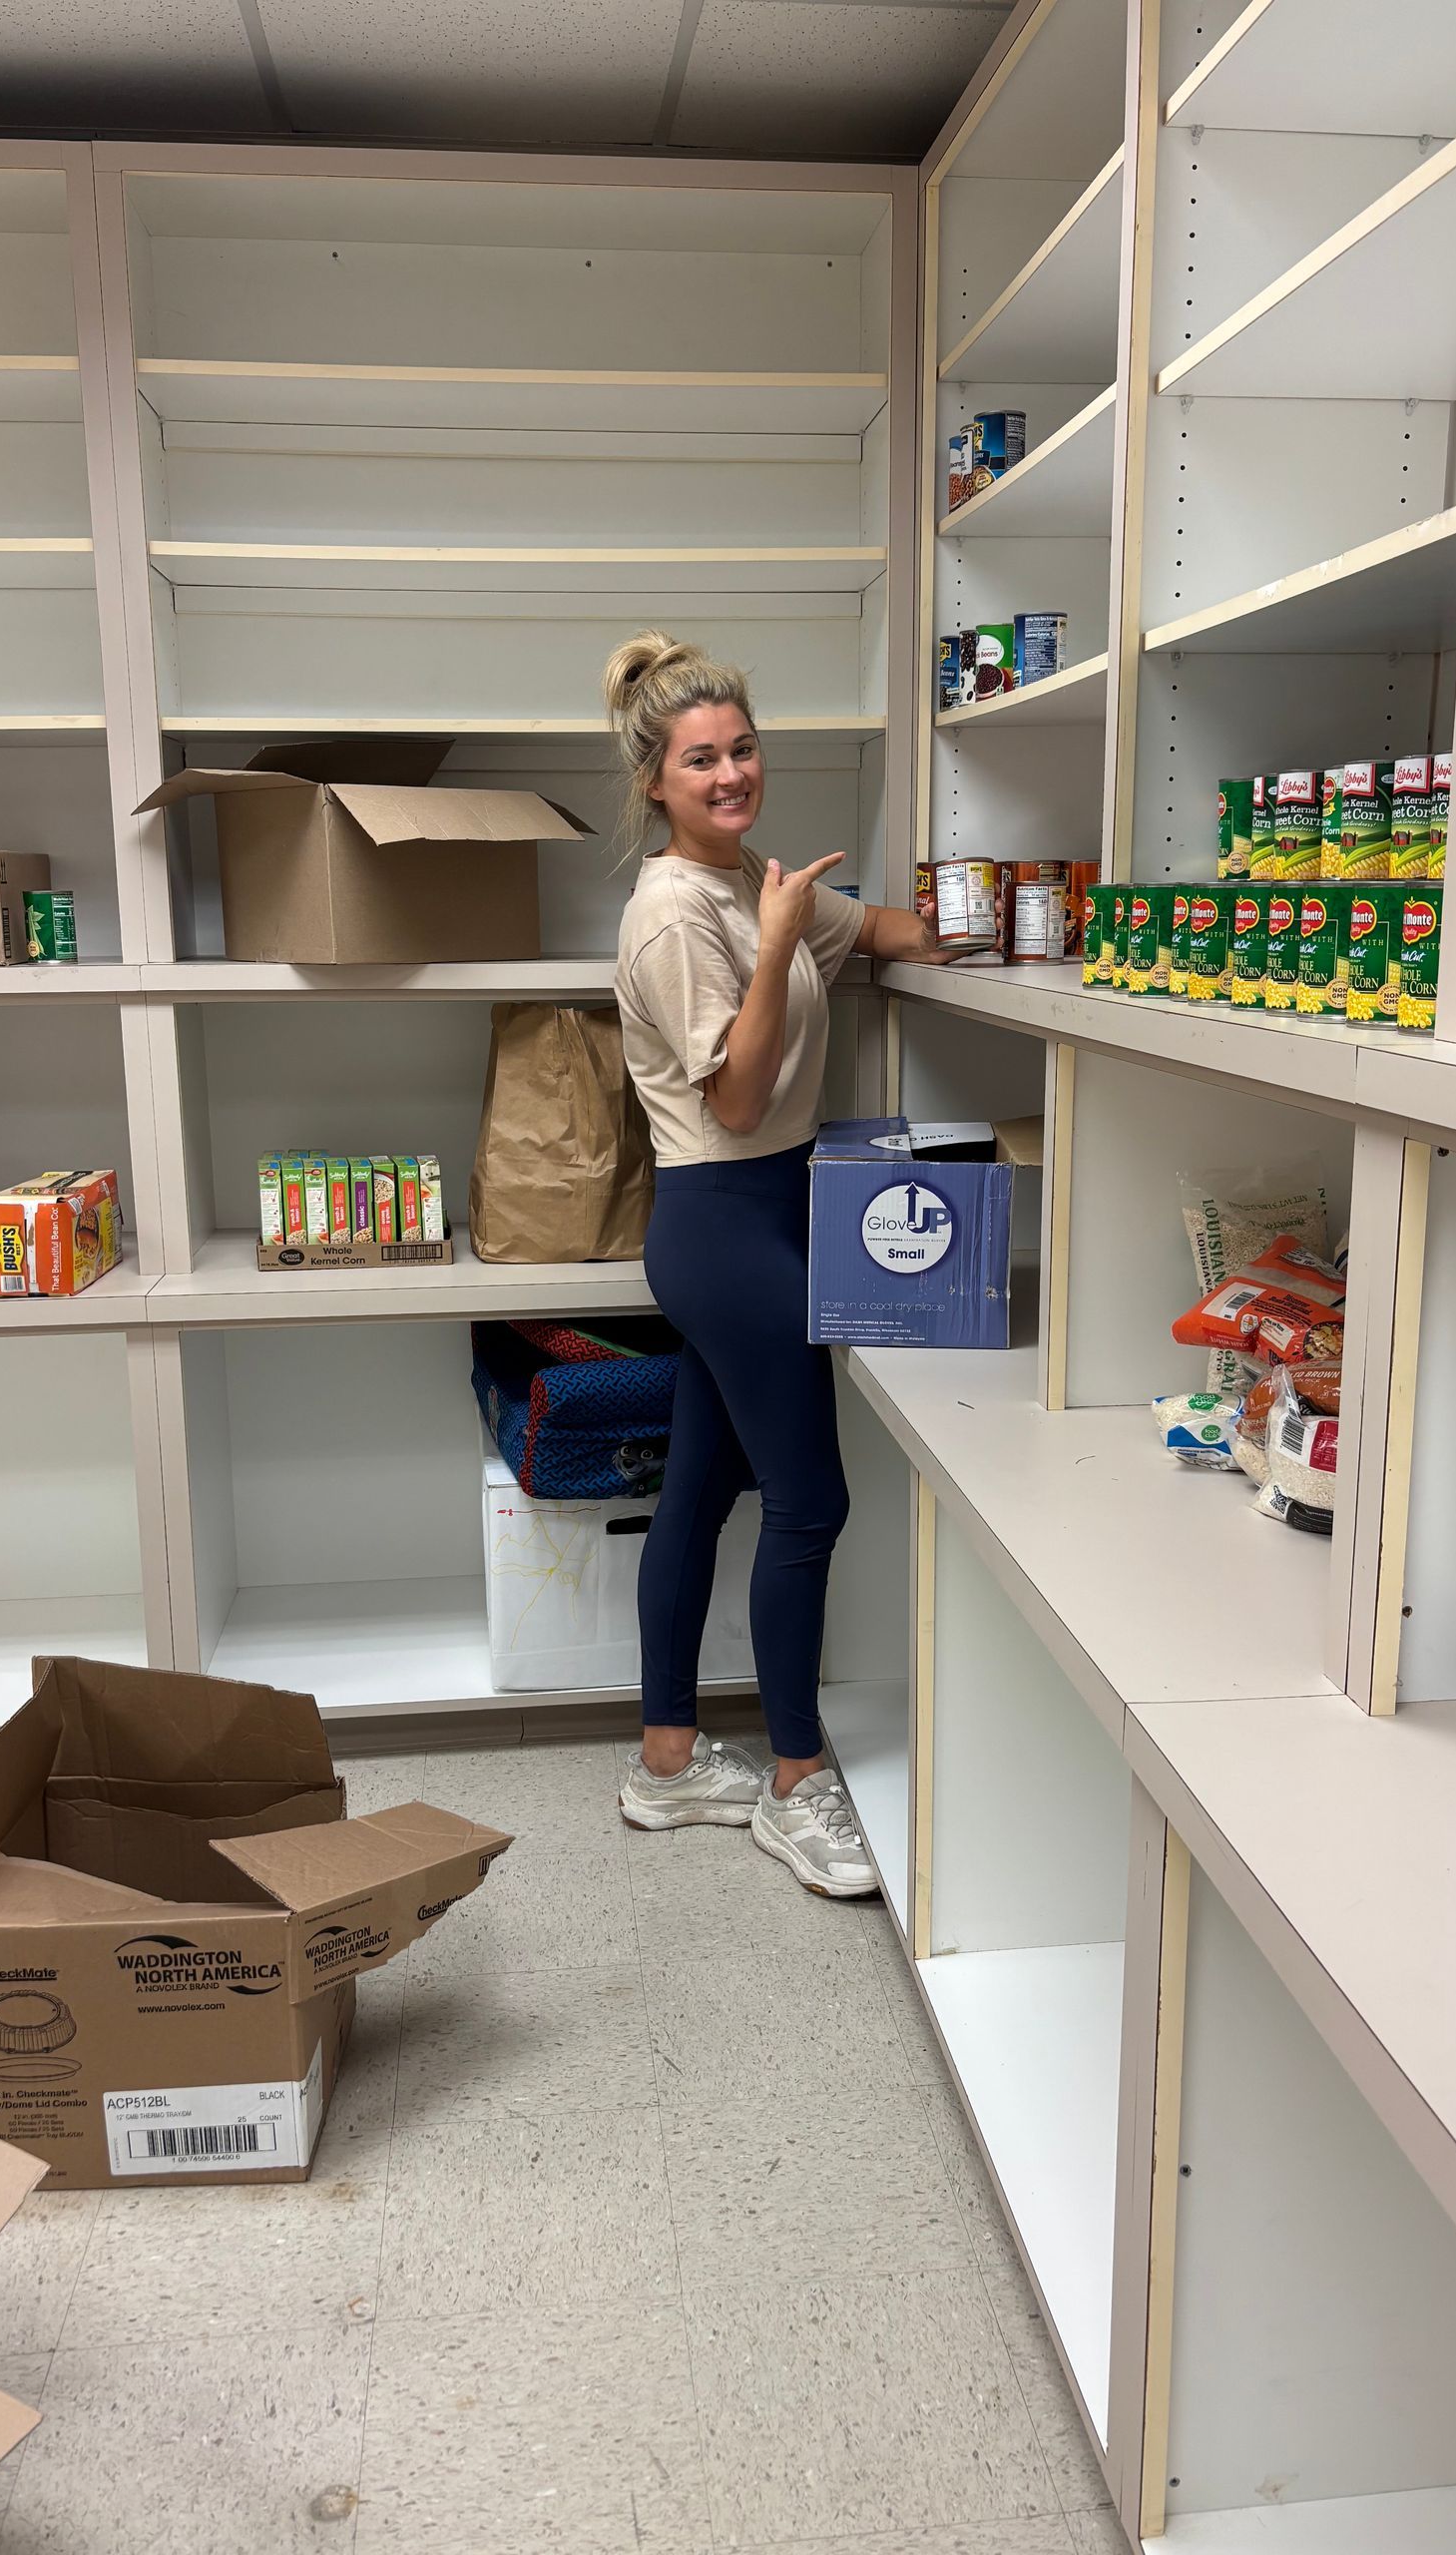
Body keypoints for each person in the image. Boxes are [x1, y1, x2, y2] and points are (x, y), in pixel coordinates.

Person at [606, 631, 944, 1894]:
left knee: (700, 1490)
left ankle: (668, 1762)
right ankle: (798, 1783)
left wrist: (988, 924)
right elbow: (739, 1101)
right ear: (656, 780)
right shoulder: (677, 914)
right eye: (702, 759)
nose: (731, 771)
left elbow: (891, 933)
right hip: (725, 1217)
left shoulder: (758, 881)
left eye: (743, 748)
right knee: (812, 1501)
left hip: (776, 1215)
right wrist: (780, 933)